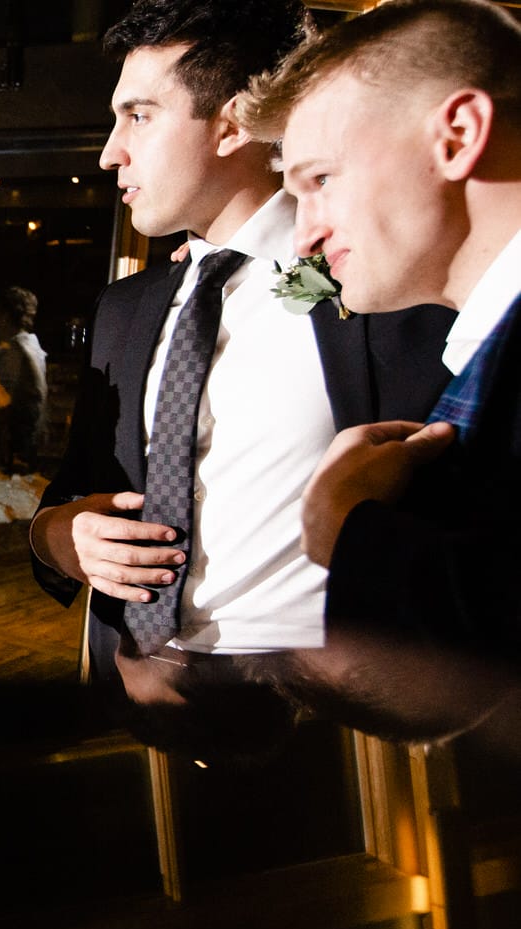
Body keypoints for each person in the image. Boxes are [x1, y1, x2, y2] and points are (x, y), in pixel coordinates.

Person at [28, 0, 455, 736]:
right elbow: (72, 493)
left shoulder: (385, 286)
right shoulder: (124, 311)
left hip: (327, 727)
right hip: (132, 693)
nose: (109, 152)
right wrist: (59, 537)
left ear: (231, 124)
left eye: (138, 117)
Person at [236, 0, 521, 692]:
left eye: (321, 180)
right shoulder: (487, 356)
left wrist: (349, 531)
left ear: (457, 135)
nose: (303, 239)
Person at [0, 285, 48, 470]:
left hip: (12, 444)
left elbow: (0, 397)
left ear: (5, 316)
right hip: (27, 439)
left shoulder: (15, 351)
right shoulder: (32, 346)